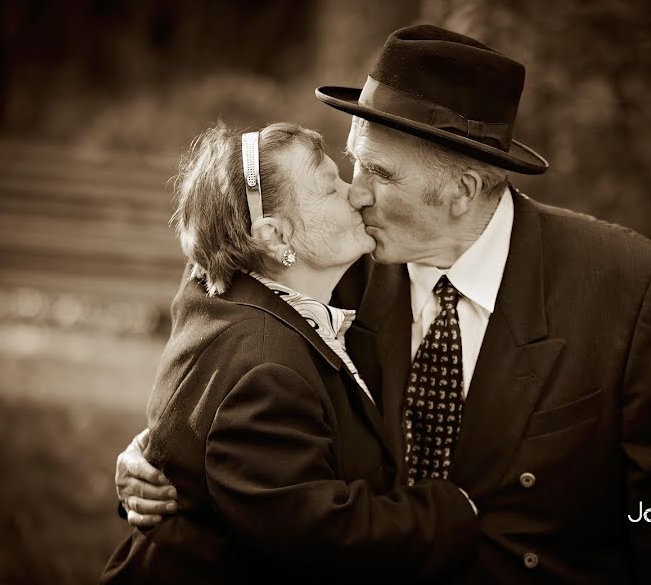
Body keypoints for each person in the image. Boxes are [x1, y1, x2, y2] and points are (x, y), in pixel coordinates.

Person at [116, 26, 651, 583]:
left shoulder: (619, 284)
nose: (355, 194)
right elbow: (222, 315)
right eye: (353, 162)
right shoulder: (332, 262)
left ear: (462, 190)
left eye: (380, 173)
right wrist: (160, 451)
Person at [101, 121, 481, 584]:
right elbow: (322, 535)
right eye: (329, 187)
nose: (357, 194)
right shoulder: (265, 369)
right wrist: (453, 512)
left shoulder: (225, 290)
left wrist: (166, 452)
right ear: (275, 237)